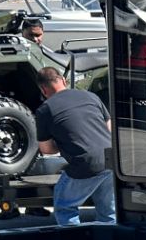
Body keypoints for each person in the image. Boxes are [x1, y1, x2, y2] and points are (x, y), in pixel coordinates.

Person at [35, 68, 116, 226]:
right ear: (63, 81)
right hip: (111, 159)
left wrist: (64, 141)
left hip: (85, 163)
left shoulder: (45, 110)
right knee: (108, 211)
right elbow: (109, 128)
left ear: (43, 90)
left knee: (64, 206)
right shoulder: (90, 96)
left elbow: (46, 149)